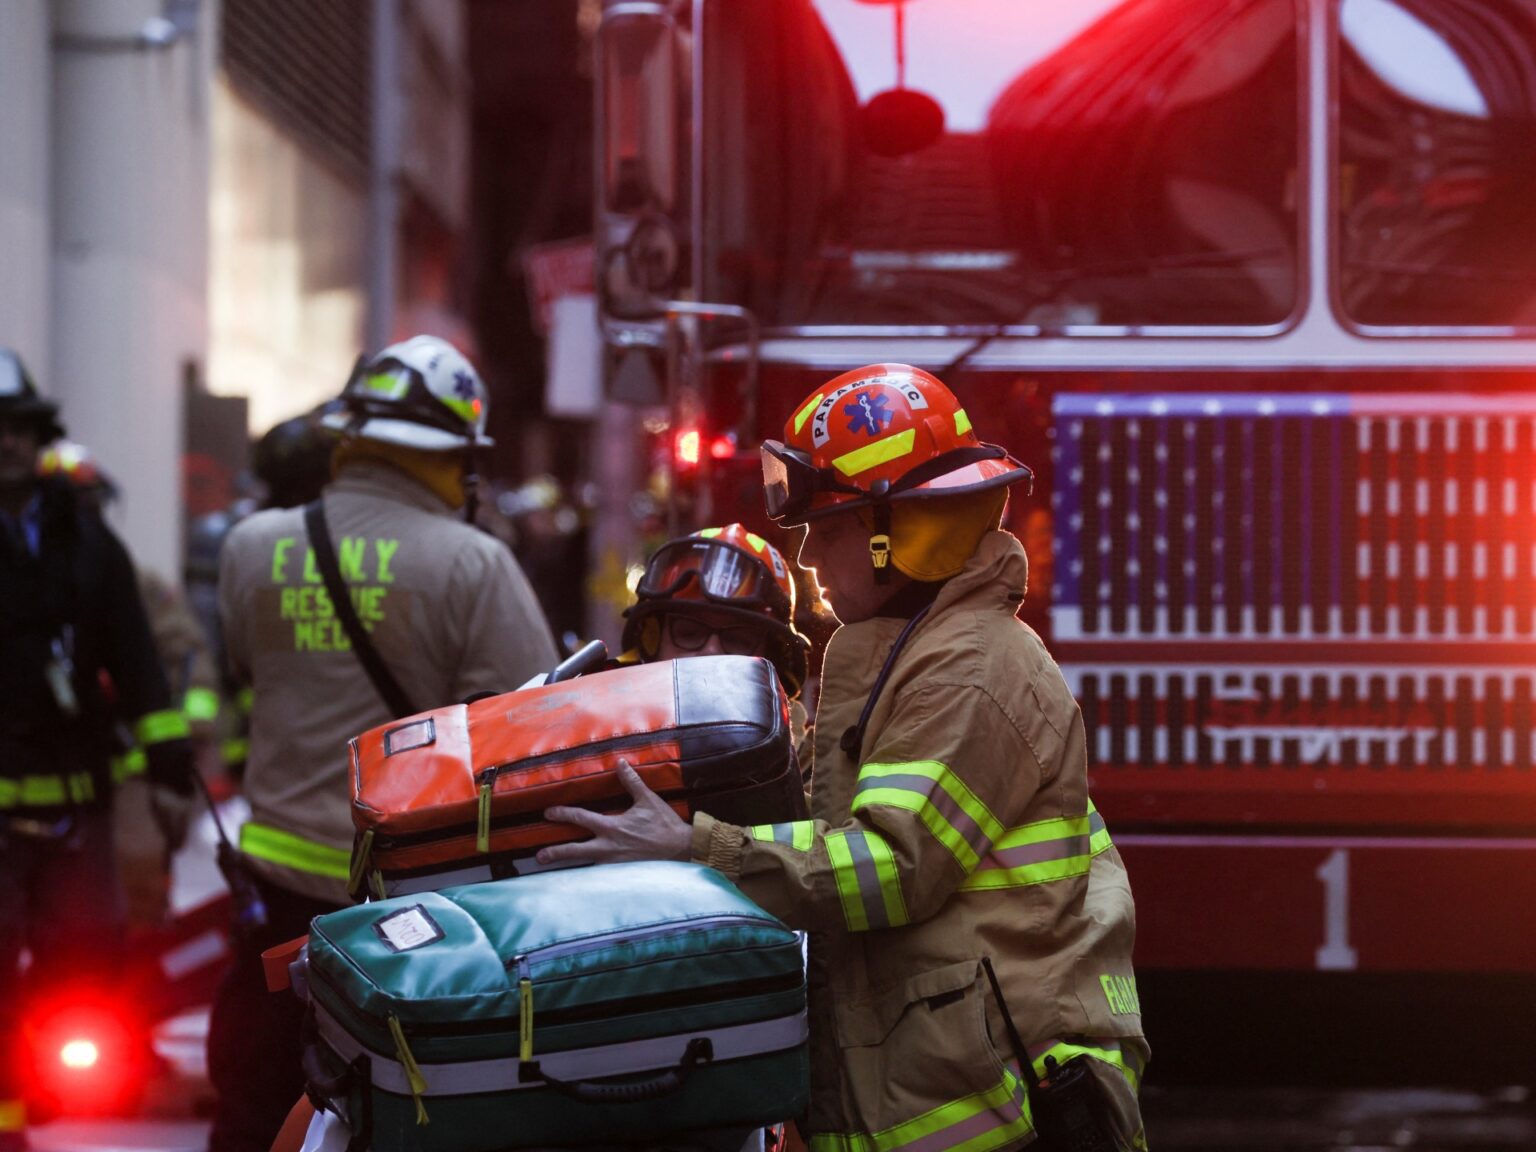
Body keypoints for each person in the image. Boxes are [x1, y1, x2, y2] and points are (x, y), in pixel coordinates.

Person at [540, 364, 1149, 1151]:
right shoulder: (915, 654)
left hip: (1003, 1119)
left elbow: (890, 866)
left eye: (826, 529)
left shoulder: (968, 669)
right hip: (952, 1097)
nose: (809, 558)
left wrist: (697, 849)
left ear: (890, 533)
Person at [210, 336, 559, 1152]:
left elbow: (242, 673)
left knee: (253, 1108)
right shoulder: (476, 565)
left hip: (272, 908)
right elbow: (536, 727)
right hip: (413, 915)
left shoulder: (251, 547)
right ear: (455, 456)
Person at [0, 349, 195, 1151]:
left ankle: (33, 1089)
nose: (5, 445)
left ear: (39, 436)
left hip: (77, 809)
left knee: (85, 966)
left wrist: (171, 775)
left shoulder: (87, 540)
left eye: (17, 430)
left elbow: (140, 663)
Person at [621, 523, 812, 742]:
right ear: (651, 643)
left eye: (737, 639)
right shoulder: (603, 750)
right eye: (689, 634)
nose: (711, 651)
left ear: (773, 662)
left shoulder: (811, 769)